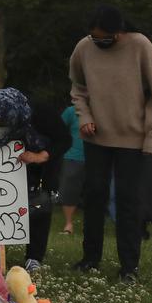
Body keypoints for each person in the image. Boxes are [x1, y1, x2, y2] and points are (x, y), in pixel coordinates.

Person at [69, 6, 152, 282]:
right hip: (96, 136)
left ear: (119, 32)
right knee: (94, 196)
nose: (97, 42)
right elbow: (77, 88)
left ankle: (129, 267)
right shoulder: (84, 48)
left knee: (129, 202)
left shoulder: (140, 46)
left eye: (103, 38)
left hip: (133, 140)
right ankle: (90, 259)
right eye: (93, 37)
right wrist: (85, 116)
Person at [0, 88, 71, 272]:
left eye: (0, 121)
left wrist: (40, 156)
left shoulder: (41, 113)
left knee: (39, 205)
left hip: (41, 164)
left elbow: (64, 140)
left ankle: (34, 257)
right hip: (5, 165)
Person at [59, 101, 85, 235]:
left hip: (98, 158)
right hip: (72, 156)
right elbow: (58, 130)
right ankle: (68, 224)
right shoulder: (71, 111)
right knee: (69, 191)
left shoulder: (103, 110)